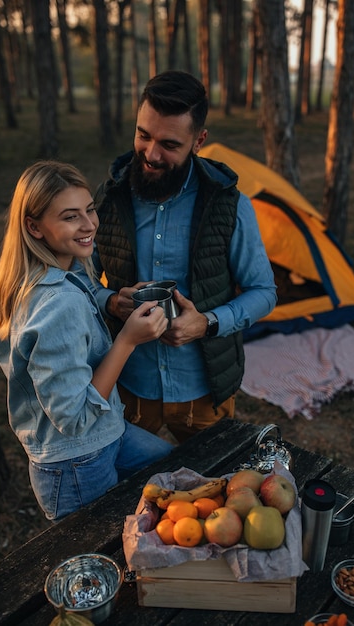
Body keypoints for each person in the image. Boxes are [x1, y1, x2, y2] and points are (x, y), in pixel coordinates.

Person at [93, 70, 277, 443]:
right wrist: (110, 301)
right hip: (127, 384)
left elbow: (264, 291)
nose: (151, 154)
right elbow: (76, 275)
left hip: (203, 391)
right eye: (143, 135)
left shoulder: (229, 205)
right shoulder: (108, 198)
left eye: (170, 144)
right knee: (124, 497)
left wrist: (206, 323)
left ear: (199, 140)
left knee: (213, 491)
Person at [0, 161, 173, 522]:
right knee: (103, 555)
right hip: (76, 462)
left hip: (105, 436)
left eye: (90, 209)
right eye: (71, 217)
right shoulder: (58, 305)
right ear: (34, 227)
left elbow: (79, 284)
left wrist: (110, 300)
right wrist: (128, 341)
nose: (89, 225)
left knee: (174, 467)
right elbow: (73, 417)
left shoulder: (26, 277)